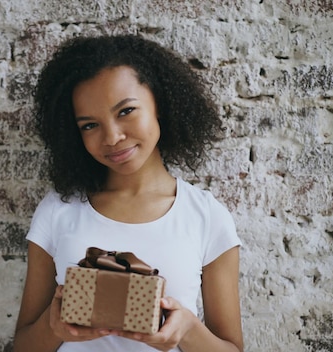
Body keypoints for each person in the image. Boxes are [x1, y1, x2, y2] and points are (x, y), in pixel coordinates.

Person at [13, 34, 243, 352]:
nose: (112, 137)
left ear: (159, 103)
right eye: (90, 125)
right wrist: (54, 327)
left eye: (125, 111)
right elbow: (22, 346)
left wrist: (188, 329)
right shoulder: (57, 210)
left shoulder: (206, 216)